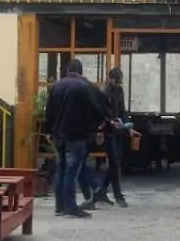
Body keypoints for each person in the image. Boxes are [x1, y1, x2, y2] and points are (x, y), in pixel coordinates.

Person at [43, 58, 108, 219]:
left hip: (59, 135)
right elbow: (95, 109)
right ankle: (70, 207)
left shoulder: (57, 86)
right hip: (75, 135)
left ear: (67, 70)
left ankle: (59, 206)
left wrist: (48, 131)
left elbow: (49, 111)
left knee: (62, 169)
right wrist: (99, 127)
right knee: (71, 171)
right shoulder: (84, 87)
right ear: (81, 71)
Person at [91, 66, 130, 209]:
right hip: (107, 131)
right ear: (112, 79)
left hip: (118, 130)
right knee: (114, 162)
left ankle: (101, 191)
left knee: (116, 162)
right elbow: (101, 113)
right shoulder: (103, 93)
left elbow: (122, 110)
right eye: (118, 80)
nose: (119, 83)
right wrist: (107, 124)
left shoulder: (119, 91)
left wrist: (126, 124)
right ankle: (118, 195)